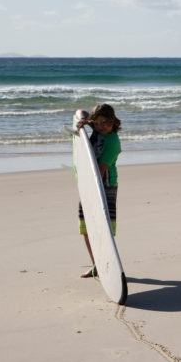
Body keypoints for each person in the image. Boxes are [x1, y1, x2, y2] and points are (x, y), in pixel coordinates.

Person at [75, 103, 122, 278]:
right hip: (89, 185)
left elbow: (101, 170)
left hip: (105, 186)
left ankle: (106, 263)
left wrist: (92, 194)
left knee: (104, 227)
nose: (102, 126)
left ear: (113, 121)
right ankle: (96, 264)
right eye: (98, 122)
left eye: (106, 122)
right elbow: (80, 111)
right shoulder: (96, 132)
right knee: (86, 225)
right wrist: (82, 121)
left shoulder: (112, 141)